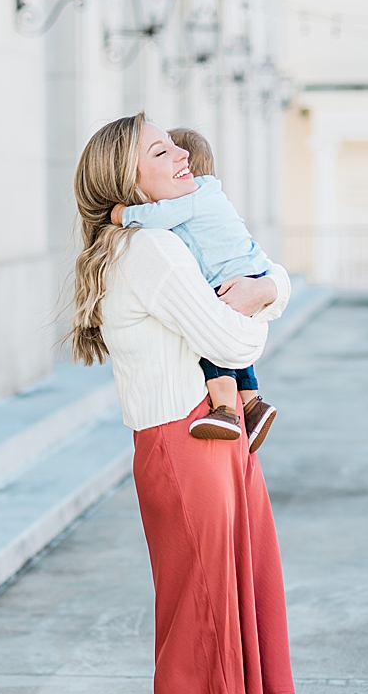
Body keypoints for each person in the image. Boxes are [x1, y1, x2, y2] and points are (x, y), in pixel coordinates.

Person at [69, 111, 293, 694]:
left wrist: (264, 288)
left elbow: (263, 282)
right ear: (124, 181)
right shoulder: (155, 250)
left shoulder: (166, 241)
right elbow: (233, 336)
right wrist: (262, 297)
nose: (180, 156)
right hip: (185, 441)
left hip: (217, 440)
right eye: (157, 151)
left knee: (230, 614)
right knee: (195, 621)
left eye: (175, 144)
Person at [110, 126, 279, 451]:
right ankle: (252, 404)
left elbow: (156, 214)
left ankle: (226, 409)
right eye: (161, 152)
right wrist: (270, 289)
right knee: (237, 355)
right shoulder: (210, 195)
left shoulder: (190, 198)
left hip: (229, 278)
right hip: (252, 269)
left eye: (172, 150)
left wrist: (122, 214)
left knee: (213, 350)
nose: (178, 157)